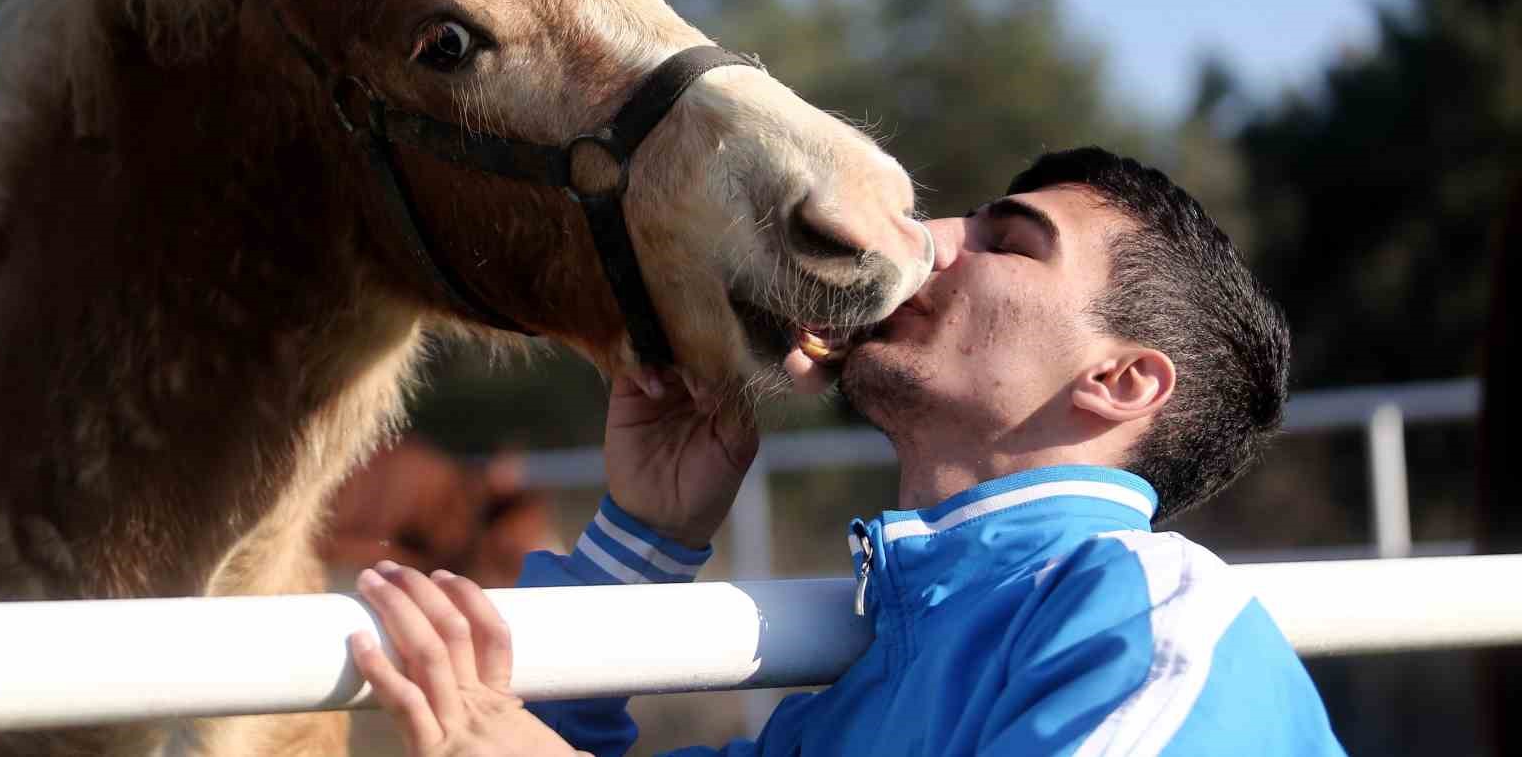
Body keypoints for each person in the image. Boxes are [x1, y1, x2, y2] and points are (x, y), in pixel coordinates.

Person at [348, 147, 1347, 756]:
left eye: (1008, 240)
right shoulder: (858, 688)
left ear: (1120, 380)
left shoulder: (1153, 627)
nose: (926, 235)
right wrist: (643, 539)